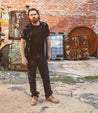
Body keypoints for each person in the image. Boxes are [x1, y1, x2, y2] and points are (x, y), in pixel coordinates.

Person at [20, 8, 59, 105]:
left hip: (42, 56)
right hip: (30, 56)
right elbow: (22, 43)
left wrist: (49, 52)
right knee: (31, 77)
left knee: (46, 76)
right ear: (29, 17)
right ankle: (34, 96)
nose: (33, 16)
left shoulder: (44, 26)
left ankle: (48, 95)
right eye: (31, 15)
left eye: (35, 14)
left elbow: (48, 40)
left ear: (38, 15)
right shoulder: (27, 28)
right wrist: (23, 57)